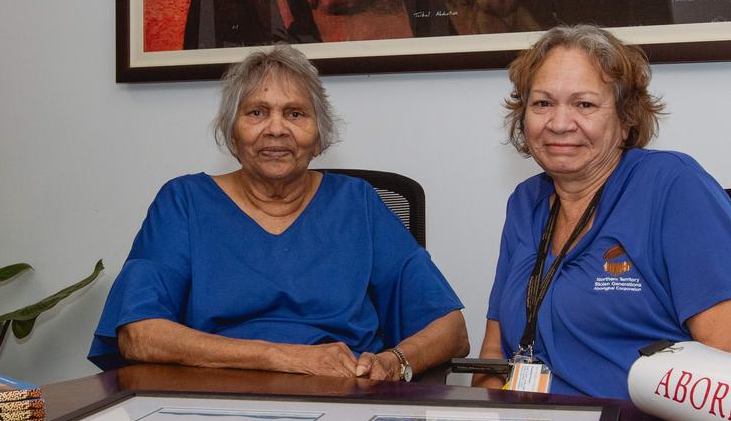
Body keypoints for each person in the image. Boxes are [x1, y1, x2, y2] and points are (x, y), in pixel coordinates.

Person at [90, 45, 469, 380]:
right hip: (214, 406)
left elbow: (451, 329)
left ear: (319, 137)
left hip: (341, 403)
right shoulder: (183, 202)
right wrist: (283, 357)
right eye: (256, 112)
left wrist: (393, 362)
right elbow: (138, 333)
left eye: (295, 114)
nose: (276, 129)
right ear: (231, 132)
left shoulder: (358, 203)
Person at [478, 24, 731, 398]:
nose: (559, 123)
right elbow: (492, 356)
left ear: (626, 119)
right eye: (542, 103)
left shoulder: (674, 187)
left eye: (584, 104)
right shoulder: (525, 203)